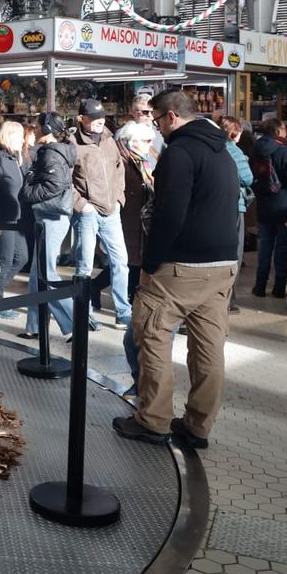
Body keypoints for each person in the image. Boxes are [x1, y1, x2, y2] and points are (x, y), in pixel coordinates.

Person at [113, 90, 239, 449]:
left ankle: (153, 420)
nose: (155, 127)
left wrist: (150, 263)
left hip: (181, 267)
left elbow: (170, 214)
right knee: (209, 348)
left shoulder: (180, 154)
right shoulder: (223, 151)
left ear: (171, 117)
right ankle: (199, 426)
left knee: (153, 335)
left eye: (155, 119)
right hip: (222, 266)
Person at [71, 98, 130, 329]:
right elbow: (67, 181)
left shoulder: (109, 140)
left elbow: (119, 170)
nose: (99, 121)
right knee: (84, 265)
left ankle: (123, 311)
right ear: (81, 119)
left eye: (102, 117)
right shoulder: (72, 143)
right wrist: (81, 205)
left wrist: (119, 199)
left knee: (120, 262)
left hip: (111, 211)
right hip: (88, 212)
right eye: (94, 117)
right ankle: (82, 312)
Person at [21, 112, 77, 340]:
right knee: (37, 274)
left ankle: (77, 320)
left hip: (51, 218)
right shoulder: (53, 151)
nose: (33, 130)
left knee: (45, 273)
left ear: (47, 130)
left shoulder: (51, 155)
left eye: (36, 126)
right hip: (51, 217)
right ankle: (34, 325)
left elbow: (54, 185)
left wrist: (29, 193)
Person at [113, 120, 157, 391]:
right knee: (126, 266)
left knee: (128, 267)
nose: (149, 147)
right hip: (128, 226)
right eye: (145, 142)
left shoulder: (144, 162)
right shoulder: (123, 162)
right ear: (131, 142)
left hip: (139, 231)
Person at [250, 118, 287, 299]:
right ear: (278, 131)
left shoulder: (255, 151)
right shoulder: (286, 152)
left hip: (264, 203)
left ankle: (259, 285)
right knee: (283, 247)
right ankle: (279, 287)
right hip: (285, 203)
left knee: (264, 246)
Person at [0, 121, 32, 323]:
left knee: (21, 258)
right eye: (19, 136)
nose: (23, 140)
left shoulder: (16, 158)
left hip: (17, 217)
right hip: (2, 218)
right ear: (9, 136)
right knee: (4, 260)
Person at [217, 116, 254, 314]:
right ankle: (229, 299)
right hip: (235, 205)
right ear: (235, 133)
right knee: (235, 253)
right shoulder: (234, 150)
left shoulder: (213, 147)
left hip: (216, 205)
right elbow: (248, 178)